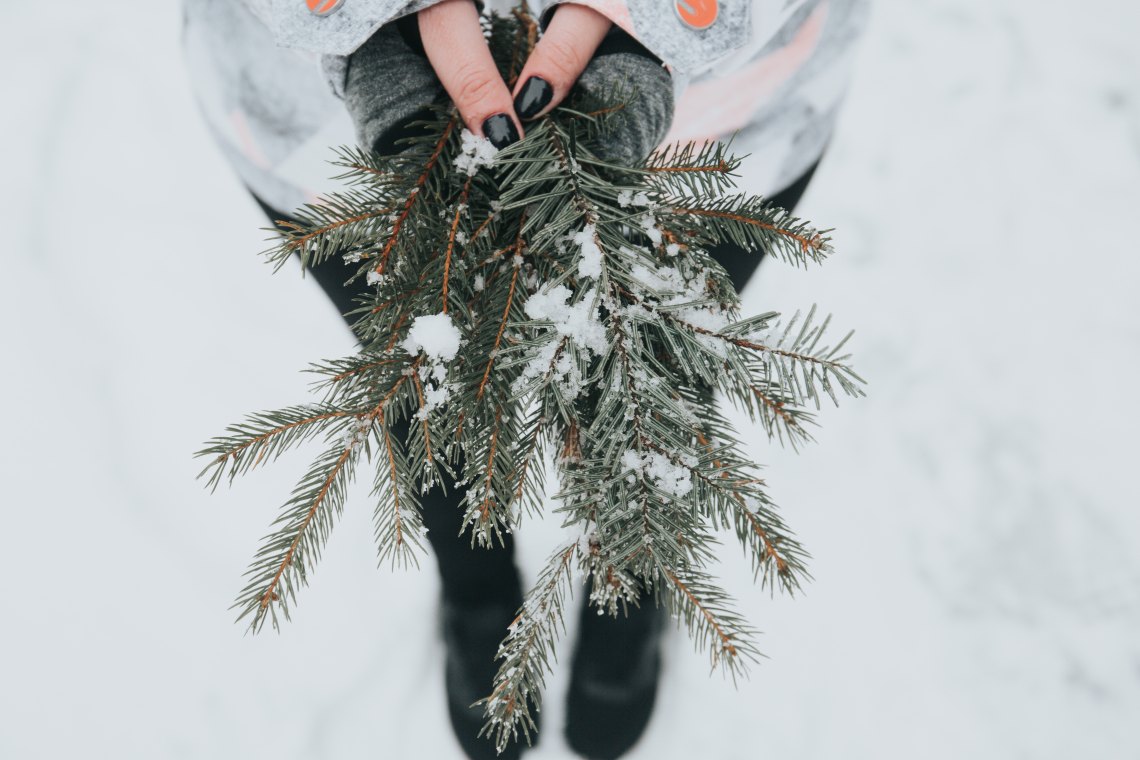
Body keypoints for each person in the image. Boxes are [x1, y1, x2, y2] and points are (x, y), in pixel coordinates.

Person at [181, 1, 869, 758]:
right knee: (426, 366)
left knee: (655, 370)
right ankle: (476, 589)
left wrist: (671, 14)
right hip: (317, 122)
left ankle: (626, 576)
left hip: (724, 115)